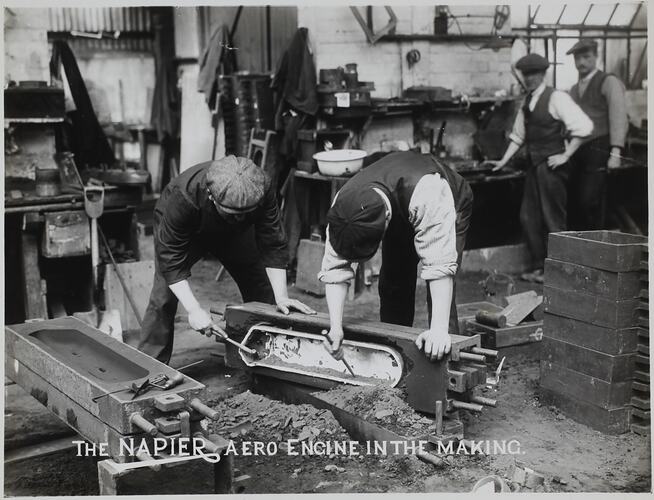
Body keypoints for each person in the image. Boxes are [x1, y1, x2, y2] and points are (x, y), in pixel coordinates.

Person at [139, 155, 314, 364]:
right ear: (212, 197)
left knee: (262, 288)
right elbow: (170, 262)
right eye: (232, 213)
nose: (239, 217)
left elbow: (273, 243)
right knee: (163, 296)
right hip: (188, 232)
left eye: (244, 214)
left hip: (235, 235)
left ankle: (266, 354)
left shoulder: (261, 188)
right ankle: (151, 367)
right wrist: (194, 310)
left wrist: (282, 296)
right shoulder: (183, 197)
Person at [318, 151, 473, 361]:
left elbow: (440, 267)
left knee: (440, 301)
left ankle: (449, 363)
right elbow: (336, 268)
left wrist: (438, 331)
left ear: (385, 221)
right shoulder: (343, 207)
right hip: (401, 203)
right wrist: (335, 327)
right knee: (393, 282)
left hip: (447, 202)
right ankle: (395, 356)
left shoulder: (429, 191)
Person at [487, 53, 593, 283]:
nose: (529, 79)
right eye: (526, 75)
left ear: (543, 74)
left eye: (534, 74)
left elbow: (585, 127)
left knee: (553, 219)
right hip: (534, 168)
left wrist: (566, 155)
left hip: (552, 168)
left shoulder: (556, 98)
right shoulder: (527, 102)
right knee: (528, 217)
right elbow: (518, 136)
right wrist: (503, 161)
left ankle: (560, 271)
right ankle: (539, 268)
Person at [567, 38, 629, 229]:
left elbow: (619, 117)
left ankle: (596, 246)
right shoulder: (574, 89)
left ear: (596, 57)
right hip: (578, 151)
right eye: (578, 58)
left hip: (600, 149)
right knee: (575, 201)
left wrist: (615, 153)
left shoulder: (608, 81)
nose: (581, 63)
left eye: (586, 57)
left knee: (590, 201)